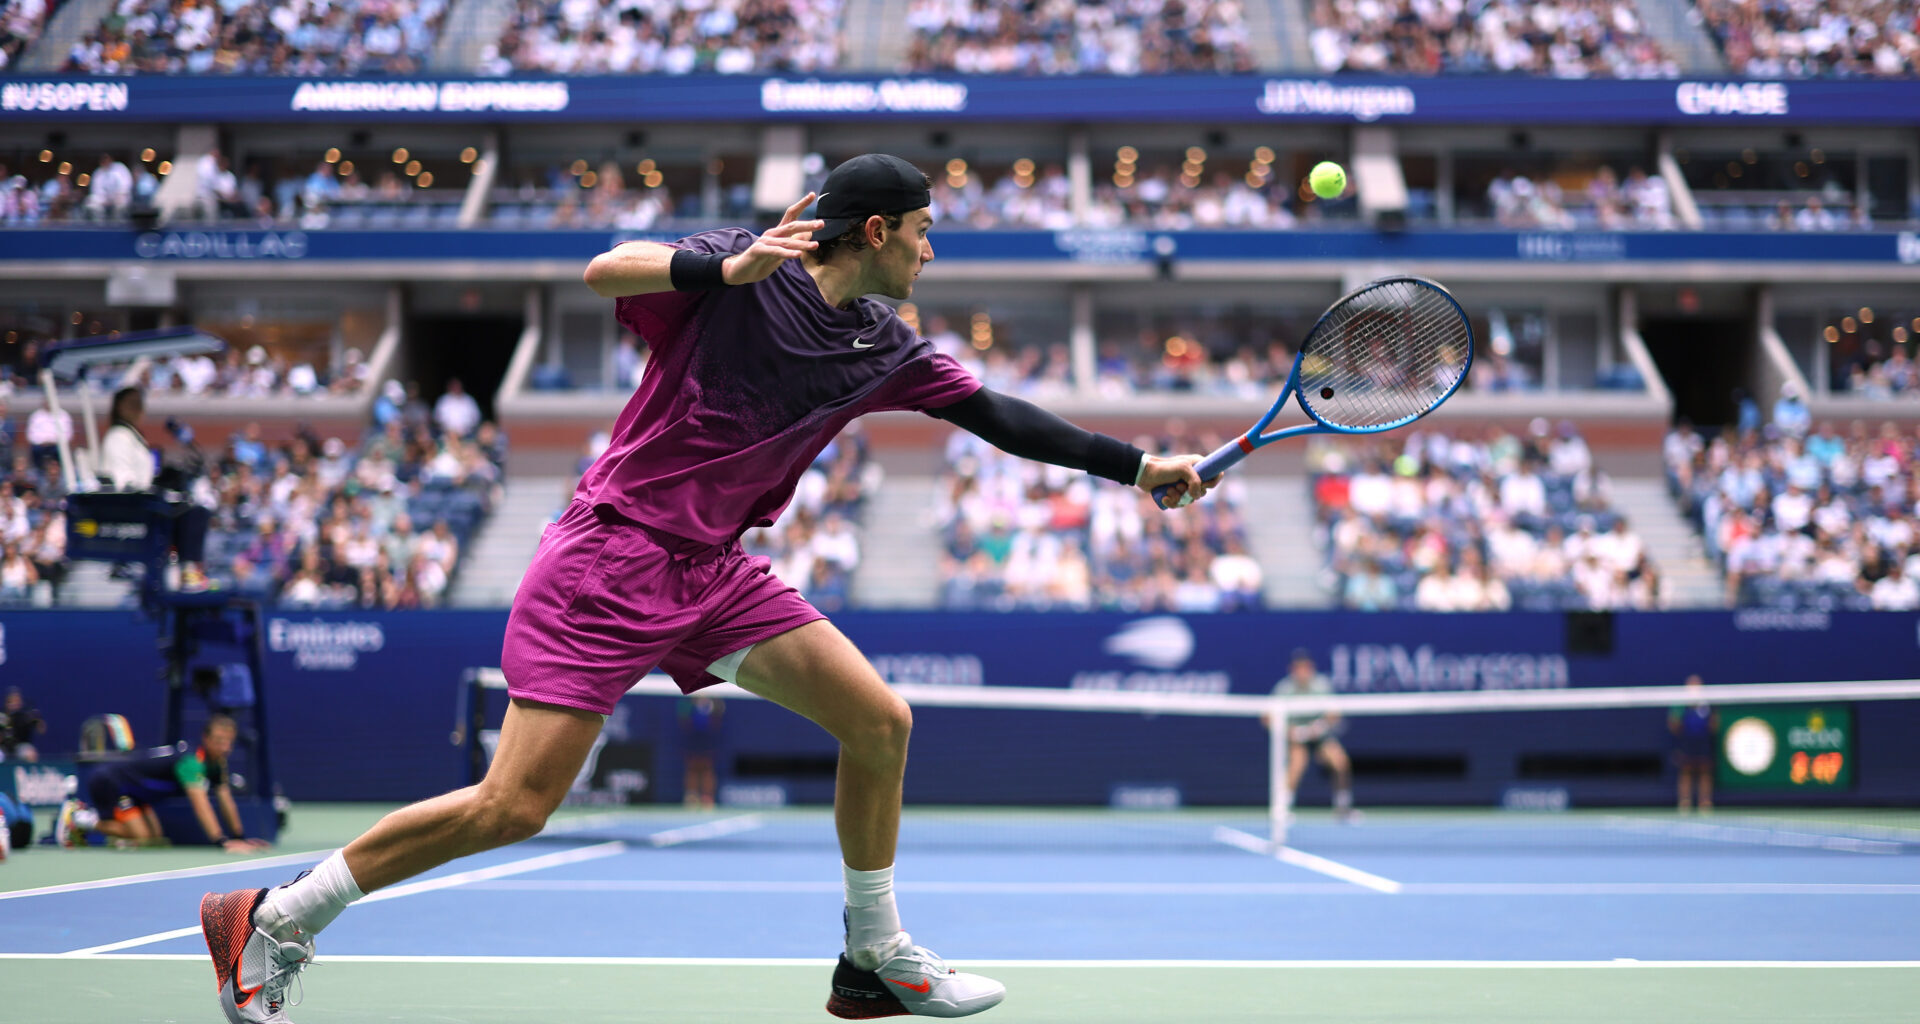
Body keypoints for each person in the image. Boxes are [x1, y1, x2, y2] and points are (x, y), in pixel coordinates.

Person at [199, 154, 1215, 1022]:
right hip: (613, 559)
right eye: (922, 233)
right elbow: (605, 268)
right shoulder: (746, 270)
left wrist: (1135, 467)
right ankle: (275, 916)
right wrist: (719, 267)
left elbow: (1000, 415)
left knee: (879, 722)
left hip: (715, 570)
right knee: (513, 806)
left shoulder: (886, 345)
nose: (930, 253)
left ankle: (873, 958)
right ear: (873, 230)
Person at [58, 715, 267, 851]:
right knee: (140, 835)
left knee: (154, 838)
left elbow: (225, 800)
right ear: (206, 739)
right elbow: (200, 803)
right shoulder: (191, 763)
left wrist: (240, 837)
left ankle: (92, 825)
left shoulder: (217, 764)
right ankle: (78, 819)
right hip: (112, 781)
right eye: (219, 741)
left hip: (135, 792)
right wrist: (222, 841)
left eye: (228, 742)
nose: (225, 747)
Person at [98, 386, 212, 589]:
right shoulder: (119, 438)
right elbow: (124, 482)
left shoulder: (131, 436)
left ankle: (188, 569)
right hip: (131, 508)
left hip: (144, 502)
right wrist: (155, 492)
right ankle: (188, 572)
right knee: (194, 514)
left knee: (194, 509)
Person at [1263, 649, 1357, 822]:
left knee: (1340, 762)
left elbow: (1334, 714)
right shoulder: (1284, 688)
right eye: (1298, 668)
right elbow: (1267, 717)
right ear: (1292, 669)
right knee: (1297, 764)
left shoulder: (1321, 685)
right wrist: (1290, 732)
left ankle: (1343, 807)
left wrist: (1317, 728)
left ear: (1311, 668)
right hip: (1295, 737)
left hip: (1320, 737)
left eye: (1305, 668)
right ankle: (1282, 809)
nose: (1302, 672)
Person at [1668, 674, 1716, 814]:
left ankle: (1705, 802)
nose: (1694, 688)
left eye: (1697, 685)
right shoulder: (1681, 703)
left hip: (1703, 741)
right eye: (1691, 685)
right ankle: (1684, 802)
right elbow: (1673, 722)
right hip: (1686, 741)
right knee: (1685, 771)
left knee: (1705, 771)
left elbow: (1714, 722)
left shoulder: (1707, 703)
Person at [678, 695, 724, 810]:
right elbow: (682, 713)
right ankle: (691, 796)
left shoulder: (713, 701)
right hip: (692, 738)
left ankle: (707, 797)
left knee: (708, 768)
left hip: (708, 739)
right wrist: (693, 701)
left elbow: (720, 711)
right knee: (691, 768)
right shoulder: (689, 702)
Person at [0, 686, 46, 762]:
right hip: (4, 747)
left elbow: (41, 730)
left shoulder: (26, 714)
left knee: (30, 753)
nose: (14, 703)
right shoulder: (2, 715)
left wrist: (38, 720)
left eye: (17, 700)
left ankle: (32, 773)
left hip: (21, 746)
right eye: (11, 701)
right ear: (7, 702)